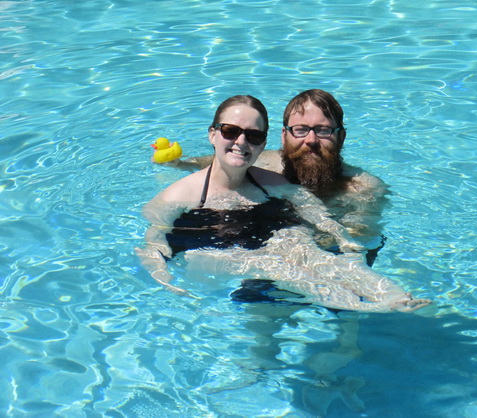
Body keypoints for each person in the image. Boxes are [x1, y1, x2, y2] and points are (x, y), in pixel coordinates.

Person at [138, 95, 431, 313]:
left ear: (263, 143)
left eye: (253, 136)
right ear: (212, 134)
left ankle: (392, 296)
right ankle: (369, 306)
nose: (241, 141)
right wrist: (163, 277)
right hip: (207, 248)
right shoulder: (177, 195)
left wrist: (339, 236)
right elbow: (153, 241)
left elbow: (307, 204)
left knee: (298, 245)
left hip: (265, 237)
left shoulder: (270, 180)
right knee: (275, 264)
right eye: (229, 131)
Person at [160, 89, 388, 251]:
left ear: (341, 136)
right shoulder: (265, 163)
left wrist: (301, 245)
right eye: (300, 130)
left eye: (323, 130)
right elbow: (219, 160)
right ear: (284, 136)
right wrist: (179, 164)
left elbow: (357, 243)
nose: (311, 140)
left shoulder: (363, 188)